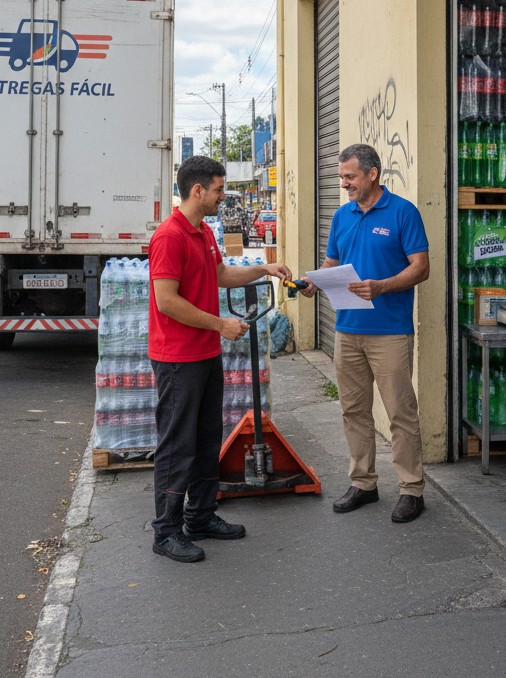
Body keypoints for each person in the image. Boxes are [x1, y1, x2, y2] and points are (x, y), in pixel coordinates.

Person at [148, 155, 292, 563]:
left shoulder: (202, 232)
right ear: (198, 191)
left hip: (205, 355)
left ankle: (200, 517)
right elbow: (166, 301)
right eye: (218, 189)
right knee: (178, 446)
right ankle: (167, 531)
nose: (222, 196)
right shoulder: (170, 236)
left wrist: (264, 268)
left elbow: (220, 275)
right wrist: (219, 324)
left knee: (207, 439)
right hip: (177, 359)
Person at [301, 143, 430, 523]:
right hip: (347, 329)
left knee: (400, 413)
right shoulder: (342, 216)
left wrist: (382, 286)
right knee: (353, 410)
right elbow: (332, 263)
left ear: (372, 174)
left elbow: (420, 268)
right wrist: (315, 283)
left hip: (389, 331)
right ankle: (364, 483)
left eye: (350, 177)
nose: (344, 184)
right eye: (341, 177)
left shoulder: (403, 212)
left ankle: (411, 489)